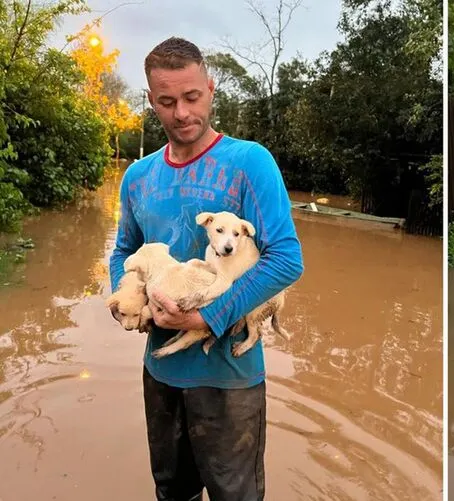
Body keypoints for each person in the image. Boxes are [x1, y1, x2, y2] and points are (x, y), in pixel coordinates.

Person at [107, 37, 304, 501]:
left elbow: (286, 258)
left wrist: (206, 318)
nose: (181, 113)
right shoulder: (139, 177)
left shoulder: (249, 162)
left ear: (211, 90)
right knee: (171, 492)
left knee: (236, 496)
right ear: (152, 101)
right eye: (167, 101)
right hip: (160, 372)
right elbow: (123, 253)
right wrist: (126, 299)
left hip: (229, 381)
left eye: (192, 97)